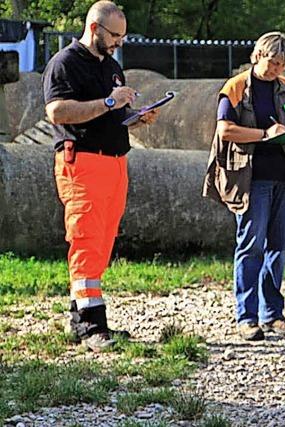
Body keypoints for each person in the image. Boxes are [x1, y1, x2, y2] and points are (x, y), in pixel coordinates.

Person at [43, 1, 159, 352]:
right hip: (83, 161)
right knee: (86, 239)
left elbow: (108, 114)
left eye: (123, 36)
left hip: (113, 161)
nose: (119, 43)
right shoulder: (64, 63)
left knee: (103, 240)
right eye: (114, 35)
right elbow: (57, 111)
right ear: (94, 28)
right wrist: (110, 103)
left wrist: (134, 117)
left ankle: (82, 316)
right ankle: (92, 325)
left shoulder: (110, 66)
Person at [203, 31, 285, 341]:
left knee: (278, 247)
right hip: (251, 179)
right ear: (257, 55)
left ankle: (272, 314)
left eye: (282, 65)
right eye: (273, 63)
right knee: (250, 247)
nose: (277, 70)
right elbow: (225, 130)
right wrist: (264, 134)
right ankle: (246, 317)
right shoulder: (235, 88)